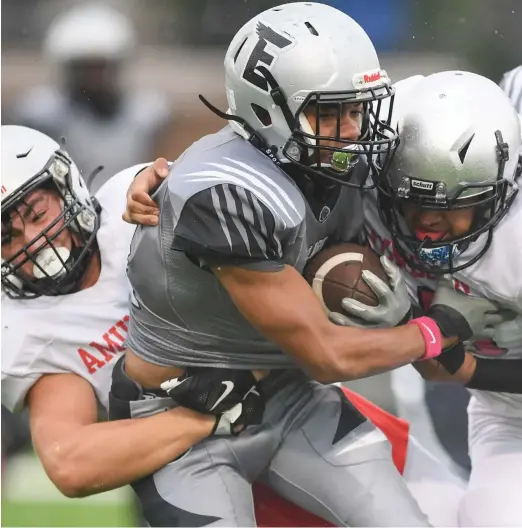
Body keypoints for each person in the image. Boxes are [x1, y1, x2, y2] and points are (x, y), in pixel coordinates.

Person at [112, 4, 485, 526]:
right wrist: (436, 329)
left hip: (289, 399)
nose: (351, 129)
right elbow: (327, 355)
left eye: (357, 108)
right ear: (267, 111)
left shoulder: (342, 156)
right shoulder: (223, 192)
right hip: (179, 418)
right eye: (329, 113)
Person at [0, 126, 251, 502]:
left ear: (68, 186)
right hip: (190, 463)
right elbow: (70, 462)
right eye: (6, 238)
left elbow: (243, 200)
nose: (33, 241)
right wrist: (207, 416)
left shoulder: (127, 204)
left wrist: (172, 186)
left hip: (283, 388)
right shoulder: (27, 330)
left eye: (37, 213)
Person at [364, 70, 522, 526]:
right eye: (410, 200)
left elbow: (446, 366)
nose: (425, 223)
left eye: (451, 205)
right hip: (508, 418)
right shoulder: (377, 170)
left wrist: (466, 367)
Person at [6, 3, 173, 193]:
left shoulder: (143, 114)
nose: (94, 78)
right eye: (85, 68)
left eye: (100, 67)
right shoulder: (44, 114)